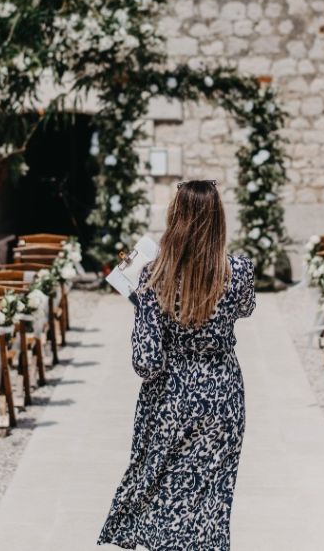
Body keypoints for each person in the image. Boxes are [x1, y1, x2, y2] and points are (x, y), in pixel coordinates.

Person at [97, 179, 256, 550]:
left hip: (171, 396)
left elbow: (146, 362)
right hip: (222, 393)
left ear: (175, 218)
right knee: (212, 501)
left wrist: (143, 307)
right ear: (218, 219)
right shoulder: (239, 271)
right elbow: (246, 308)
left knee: (164, 496)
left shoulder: (155, 275)